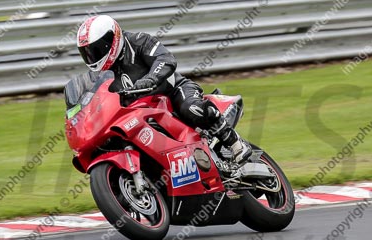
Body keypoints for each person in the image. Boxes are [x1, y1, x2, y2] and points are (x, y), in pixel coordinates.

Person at [76, 15, 252, 165]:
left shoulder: (138, 41)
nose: (93, 56)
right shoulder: (101, 75)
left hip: (172, 91)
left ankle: (235, 142)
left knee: (191, 107)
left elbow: (166, 59)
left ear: (112, 39)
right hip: (140, 112)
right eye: (88, 53)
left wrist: (151, 78)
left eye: (97, 49)